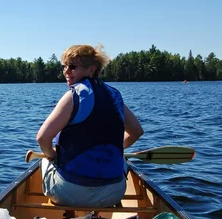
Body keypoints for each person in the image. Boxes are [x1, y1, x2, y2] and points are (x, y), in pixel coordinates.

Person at [36, 44, 144, 208]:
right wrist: (116, 148)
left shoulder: (74, 95)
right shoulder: (115, 96)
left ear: (91, 69)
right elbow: (136, 131)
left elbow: (43, 138)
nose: (66, 71)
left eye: (72, 67)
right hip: (113, 194)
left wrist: (51, 155)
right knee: (121, 159)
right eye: (64, 66)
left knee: (43, 162)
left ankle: (68, 215)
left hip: (69, 193)